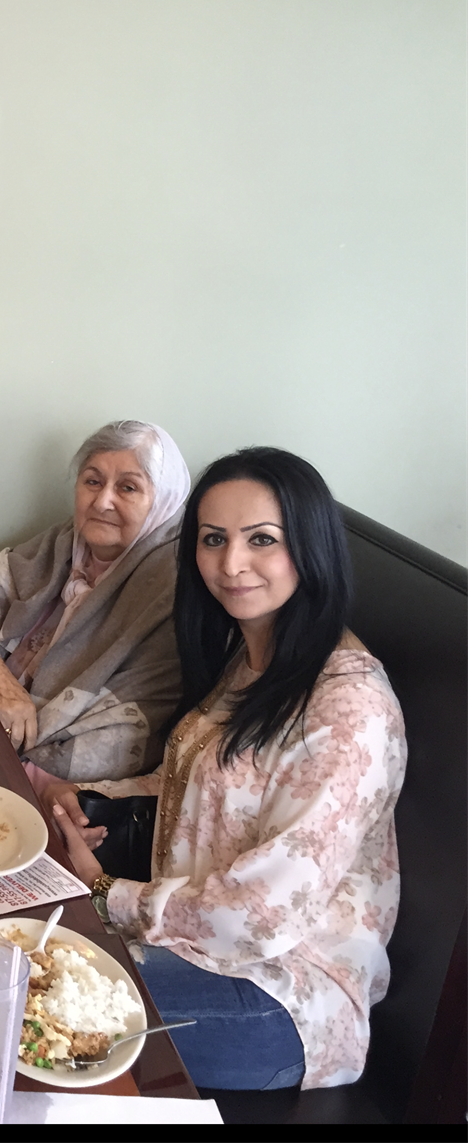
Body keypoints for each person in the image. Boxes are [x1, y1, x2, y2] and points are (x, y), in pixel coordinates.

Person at [43, 447, 407, 1092]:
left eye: (261, 540)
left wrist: (108, 895)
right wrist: (86, 795)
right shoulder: (253, 657)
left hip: (283, 995)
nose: (231, 564)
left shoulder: (350, 710)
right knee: (0, 956)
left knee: (27, 1008)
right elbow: (207, 783)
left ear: (311, 548)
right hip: (190, 942)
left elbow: (263, 912)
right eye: (214, 539)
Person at [0, 421, 190, 793]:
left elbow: (125, 737)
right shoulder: (62, 545)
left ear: (163, 500)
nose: (102, 501)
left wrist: (11, 762)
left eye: (128, 487)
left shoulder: (170, 588)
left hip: (52, 789)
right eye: (93, 481)